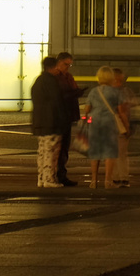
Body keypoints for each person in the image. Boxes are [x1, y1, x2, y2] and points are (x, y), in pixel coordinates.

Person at [30, 55, 69, 188]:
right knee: (51, 152)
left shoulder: (39, 81)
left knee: (42, 151)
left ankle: (41, 178)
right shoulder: (51, 81)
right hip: (51, 123)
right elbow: (56, 102)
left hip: (40, 122)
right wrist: (62, 120)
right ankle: (49, 179)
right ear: (54, 66)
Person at [83, 65, 124, 188]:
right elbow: (121, 110)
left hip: (95, 123)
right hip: (109, 124)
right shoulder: (115, 92)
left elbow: (87, 108)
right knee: (109, 153)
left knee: (95, 152)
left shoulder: (93, 91)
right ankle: (107, 181)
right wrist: (125, 126)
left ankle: (94, 181)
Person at [53, 52, 80, 186]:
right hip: (59, 116)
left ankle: (62, 174)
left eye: (70, 65)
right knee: (57, 147)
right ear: (58, 63)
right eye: (66, 64)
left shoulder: (68, 77)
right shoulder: (55, 77)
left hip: (67, 116)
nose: (68, 67)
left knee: (64, 148)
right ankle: (56, 175)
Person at [111, 67, 135, 187]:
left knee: (113, 154)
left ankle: (115, 178)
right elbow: (123, 112)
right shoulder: (125, 91)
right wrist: (127, 127)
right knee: (122, 154)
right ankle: (123, 178)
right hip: (120, 125)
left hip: (108, 126)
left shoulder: (104, 91)